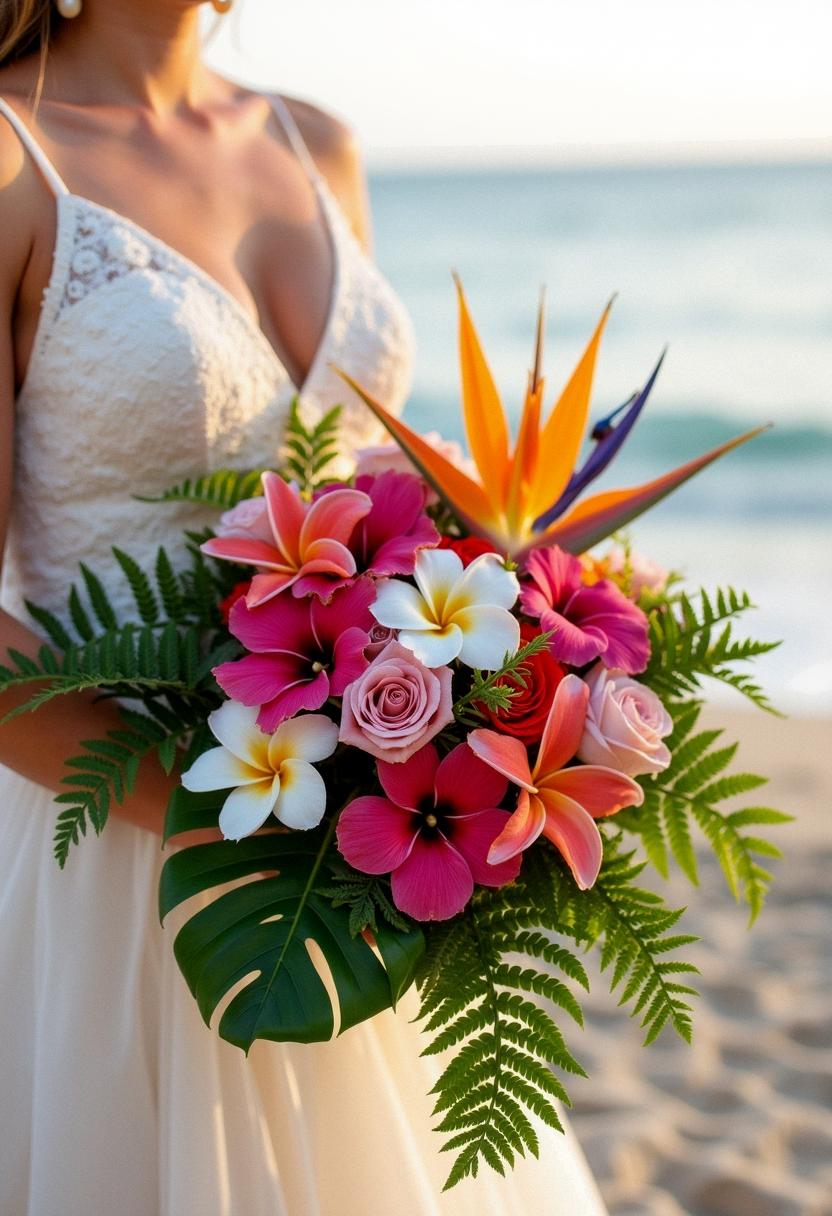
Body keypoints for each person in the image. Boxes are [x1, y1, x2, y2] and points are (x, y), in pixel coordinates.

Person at [0, 2, 608, 1212]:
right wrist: (236, 836)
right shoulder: (15, 157)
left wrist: (513, 658)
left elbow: (368, 493)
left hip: (354, 844)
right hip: (127, 836)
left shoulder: (316, 139)